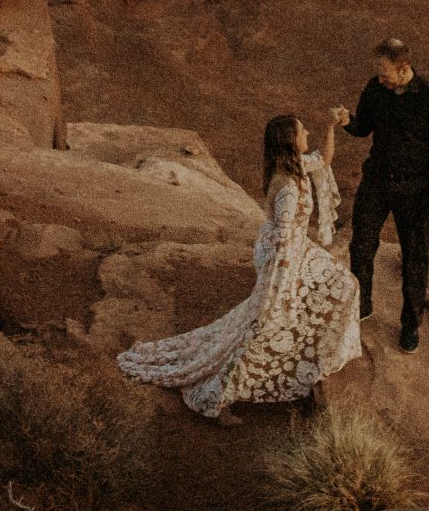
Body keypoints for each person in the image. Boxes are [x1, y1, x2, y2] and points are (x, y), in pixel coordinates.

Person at [115, 111, 363, 420]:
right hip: (284, 257)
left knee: (344, 284)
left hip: (297, 249)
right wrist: (280, 285)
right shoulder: (287, 186)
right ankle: (220, 396)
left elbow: (323, 159)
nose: (307, 134)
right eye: (303, 132)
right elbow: (283, 239)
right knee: (264, 324)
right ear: (290, 141)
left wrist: (330, 128)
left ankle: (315, 355)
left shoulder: (296, 166)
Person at [337, 36, 429, 353]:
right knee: (361, 245)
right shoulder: (375, 89)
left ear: (403, 69)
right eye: (378, 72)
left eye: (384, 72)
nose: (379, 77)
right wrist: (348, 120)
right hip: (376, 181)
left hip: (415, 190)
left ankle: (410, 325)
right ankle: (361, 306)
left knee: (415, 258)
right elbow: (364, 127)